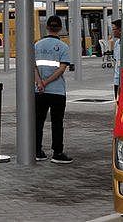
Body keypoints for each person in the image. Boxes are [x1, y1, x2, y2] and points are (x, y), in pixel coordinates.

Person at [34, 15, 73, 164]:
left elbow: (33, 67)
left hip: (39, 91)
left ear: (47, 27)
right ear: (60, 28)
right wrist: (47, 82)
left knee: (38, 121)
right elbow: (61, 69)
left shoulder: (37, 45)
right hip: (57, 91)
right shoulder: (63, 47)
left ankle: (37, 150)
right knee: (57, 122)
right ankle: (57, 153)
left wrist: (40, 83)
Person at [111, 19, 122, 98]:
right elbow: (116, 59)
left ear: (120, 30)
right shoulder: (117, 43)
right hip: (117, 80)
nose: (113, 31)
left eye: (114, 29)